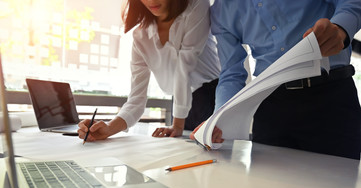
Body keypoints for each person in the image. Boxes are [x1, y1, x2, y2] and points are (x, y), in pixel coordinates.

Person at [192, 0, 361, 159]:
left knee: (338, 185)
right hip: (271, 108)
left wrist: (341, 28)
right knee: (269, 187)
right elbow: (231, 73)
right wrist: (218, 118)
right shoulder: (221, 11)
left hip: (330, 98)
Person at [78, 0, 220, 141]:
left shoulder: (196, 5)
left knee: (217, 158)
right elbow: (136, 99)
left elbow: (184, 67)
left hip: (211, 97)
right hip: (179, 105)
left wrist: (177, 124)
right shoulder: (141, 36)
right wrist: (108, 128)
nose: (151, 1)